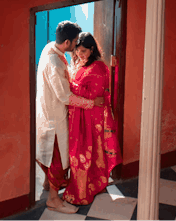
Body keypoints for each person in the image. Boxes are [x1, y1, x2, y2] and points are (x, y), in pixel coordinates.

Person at [35, 20, 103, 214]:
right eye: (74, 43)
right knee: (58, 158)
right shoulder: (55, 63)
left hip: (45, 113)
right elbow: (65, 97)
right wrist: (91, 103)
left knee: (49, 155)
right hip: (54, 119)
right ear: (66, 42)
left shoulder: (50, 47)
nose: (76, 47)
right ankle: (53, 200)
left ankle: (49, 185)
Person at [63, 31, 122, 207]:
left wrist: (70, 87)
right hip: (79, 114)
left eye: (83, 51)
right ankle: (91, 185)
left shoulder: (98, 67)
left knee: (86, 152)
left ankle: (83, 192)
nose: (79, 54)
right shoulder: (80, 63)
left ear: (91, 50)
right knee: (82, 151)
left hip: (90, 117)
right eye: (77, 51)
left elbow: (95, 96)